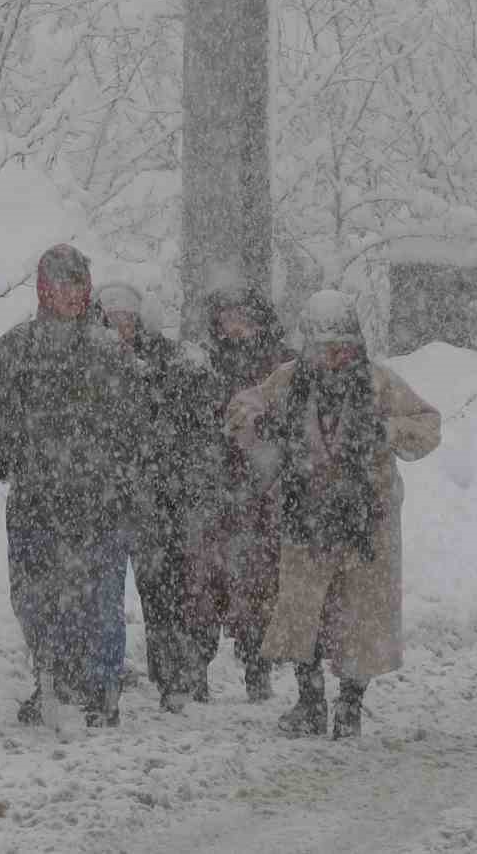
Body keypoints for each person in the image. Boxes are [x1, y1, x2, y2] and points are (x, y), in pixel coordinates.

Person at [226, 289, 440, 739]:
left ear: (357, 343)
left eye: (342, 346)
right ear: (308, 345)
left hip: (368, 524)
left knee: (360, 620)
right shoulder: (288, 381)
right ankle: (309, 704)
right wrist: (262, 424)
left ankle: (350, 706)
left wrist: (384, 430)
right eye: (324, 348)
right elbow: (241, 409)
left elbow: (427, 426)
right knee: (302, 616)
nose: (333, 356)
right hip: (306, 518)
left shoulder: (379, 383)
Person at [0, 245, 146, 728]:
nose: (71, 293)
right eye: (61, 283)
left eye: (79, 283)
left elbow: (138, 423)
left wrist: (111, 468)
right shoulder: (18, 347)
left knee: (98, 600)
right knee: (35, 597)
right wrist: (15, 445)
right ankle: (50, 681)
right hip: (37, 500)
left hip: (99, 501)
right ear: (44, 289)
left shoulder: (109, 353)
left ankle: (102, 690)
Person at [93, 281, 210, 713]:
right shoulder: (92, 359)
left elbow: (189, 418)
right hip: (105, 495)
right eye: (112, 318)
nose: (120, 326)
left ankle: (173, 677)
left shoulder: (165, 362)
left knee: (162, 591)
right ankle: (99, 676)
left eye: (127, 317)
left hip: (155, 497)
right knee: (100, 593)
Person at [183, 287, 293, 703]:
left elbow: (292, 419)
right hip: (214, 487)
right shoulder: (204, 365)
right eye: (228, 317)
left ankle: (257, 667)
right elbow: (191, 418)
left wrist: (267, 443)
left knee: (261, 584)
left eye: (244, 317)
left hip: (265, 490)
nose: (236, 326)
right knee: (204, 583)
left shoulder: (282, 364)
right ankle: (197, 667)